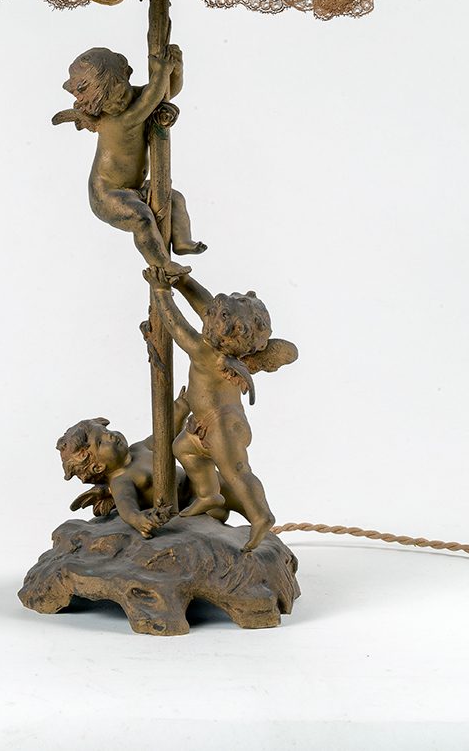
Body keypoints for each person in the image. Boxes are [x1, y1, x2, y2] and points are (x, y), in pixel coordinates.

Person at [145, 267, 298, 551]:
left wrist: (162, 292)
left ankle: (261, 515)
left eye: (215, 314)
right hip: (205, 424)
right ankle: (208, 495)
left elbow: (176, 326)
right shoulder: (225, 343)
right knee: (183, 449)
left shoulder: (204, 351)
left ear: (223, 331)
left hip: (223, 426)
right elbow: (204, 303)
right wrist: (184, 281)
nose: (208, 312)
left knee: (237, 473)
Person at [52, 45, 205, 277]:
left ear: (124, 78)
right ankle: (162, 263)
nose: (120, 102)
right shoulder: (118, 120)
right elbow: (149, 102)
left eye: (121, 91)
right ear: (96, 106)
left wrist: (176, 70)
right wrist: (162, 72)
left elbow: (164, 93)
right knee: (141, 219)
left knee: (175, 198)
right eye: (109, 102)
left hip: (135, 188)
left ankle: (182, 241)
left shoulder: (132, 98)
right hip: (107, 195)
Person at [56, 393, 192, 538]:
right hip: (183, 504)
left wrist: (179, 412)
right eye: (100, 442)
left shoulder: (138, 448)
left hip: (194, 482)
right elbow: (126, 505)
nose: (110, 435)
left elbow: (164, 438)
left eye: (106, 431)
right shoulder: (120, 481)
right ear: (98, 467)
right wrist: (138, 520)